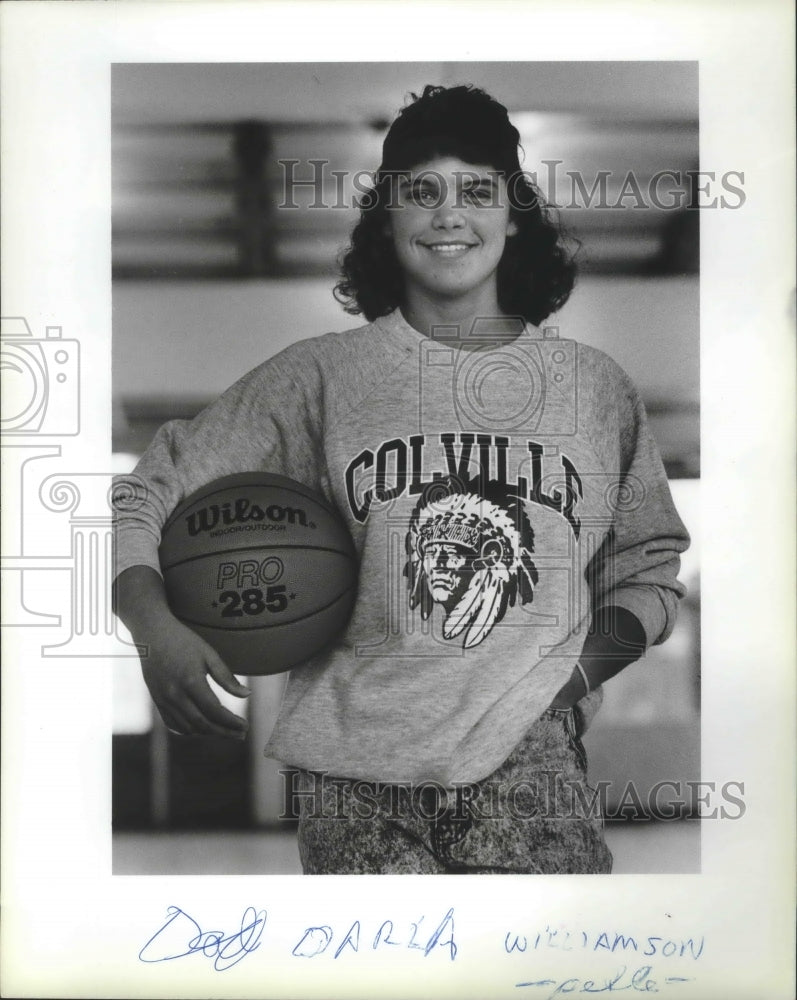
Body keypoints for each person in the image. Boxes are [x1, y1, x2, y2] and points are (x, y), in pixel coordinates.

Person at [113, 84, 690, 874]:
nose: (448, 215)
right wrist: (152, 626)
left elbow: (650, 569)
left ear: (513, 214)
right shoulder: (324, 377)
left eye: (476, 191)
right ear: (387, 217)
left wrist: (564, 685)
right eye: (421, 192)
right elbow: (148, 487)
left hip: (529, 770)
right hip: (353, 784)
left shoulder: (594, 389)